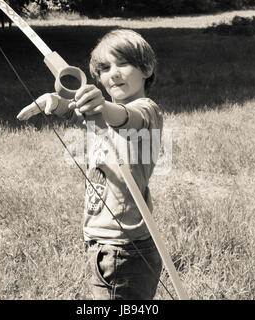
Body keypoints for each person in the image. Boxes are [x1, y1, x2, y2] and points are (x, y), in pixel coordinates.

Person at [17, 29, 163, 300]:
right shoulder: (99, 115)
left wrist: (101, 106)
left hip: (125, 249)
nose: (114, 73)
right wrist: (55, 102)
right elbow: (76, 111)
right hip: (104, 242)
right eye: (105, 68)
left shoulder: (146, 111)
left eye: (123, 63)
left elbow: (123, 116)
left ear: (147, 68)